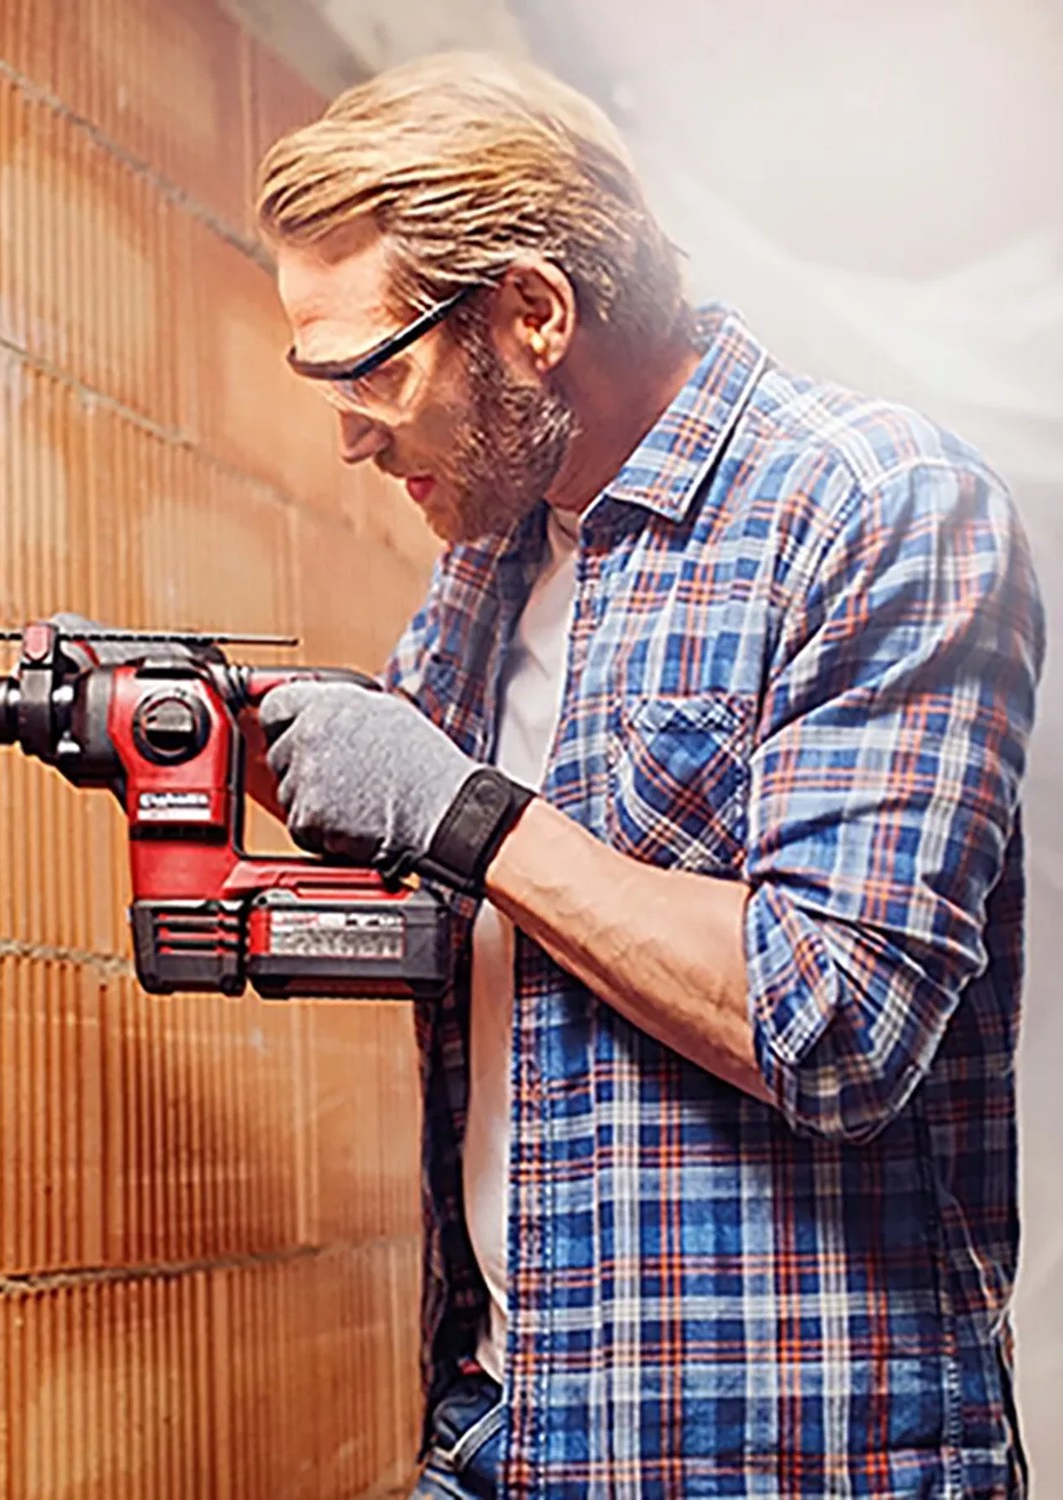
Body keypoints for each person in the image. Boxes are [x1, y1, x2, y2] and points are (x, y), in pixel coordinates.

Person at [247, 52, 1045, 1499]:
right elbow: (456, 895)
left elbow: (835, 1018)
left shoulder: (879, 513)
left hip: (789, 1454)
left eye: (372, 369)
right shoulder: (488, 569)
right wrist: (216, 740)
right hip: (516, 1419)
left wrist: (462, 810)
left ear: (532, 315)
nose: (349, 431)